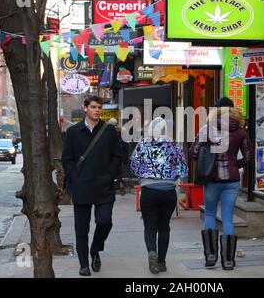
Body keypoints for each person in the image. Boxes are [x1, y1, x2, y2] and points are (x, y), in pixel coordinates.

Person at [62, 96, 122, 276]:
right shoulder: (73, 132)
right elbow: (67, 159)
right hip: (82, 187)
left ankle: (95, 249)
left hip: (104, 186)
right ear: (85, 108)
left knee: (105, 221)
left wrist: (111, 176)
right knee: (81, 228)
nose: (97, 110)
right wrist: (75, 176)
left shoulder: (109, 131)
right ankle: (83, 264)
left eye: (99, 108)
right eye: (94, 107)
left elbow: (117, 156)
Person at [189, 97, 252, 270]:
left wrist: (208, 161)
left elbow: (193, 152)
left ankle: (210, 256)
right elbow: (248, 157)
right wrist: (233, 164)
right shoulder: (240, 130)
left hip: (212, 179)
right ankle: (228, 261)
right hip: (232, 180)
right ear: (233, 110)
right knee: (227, 218)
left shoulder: (207, 129)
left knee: (209, 214)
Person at [130, 117, 188, 274]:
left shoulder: (143, 144)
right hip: (168, 191)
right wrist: (171, 176)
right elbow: (183, 169)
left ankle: (151, 252)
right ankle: (162, 262)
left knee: (150, 226)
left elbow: (134, 166)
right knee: (164, 226)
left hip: (148, 190)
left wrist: (145, 175)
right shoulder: (174, 145)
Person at [109, 118, 130, 195]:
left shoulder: (107, 132)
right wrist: (125, 158)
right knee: (119, 172)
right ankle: (121, 186)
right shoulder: (122, 133)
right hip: (118, 157)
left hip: (112, 157)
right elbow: (126, 147)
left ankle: (116, 187)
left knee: (113, 172)